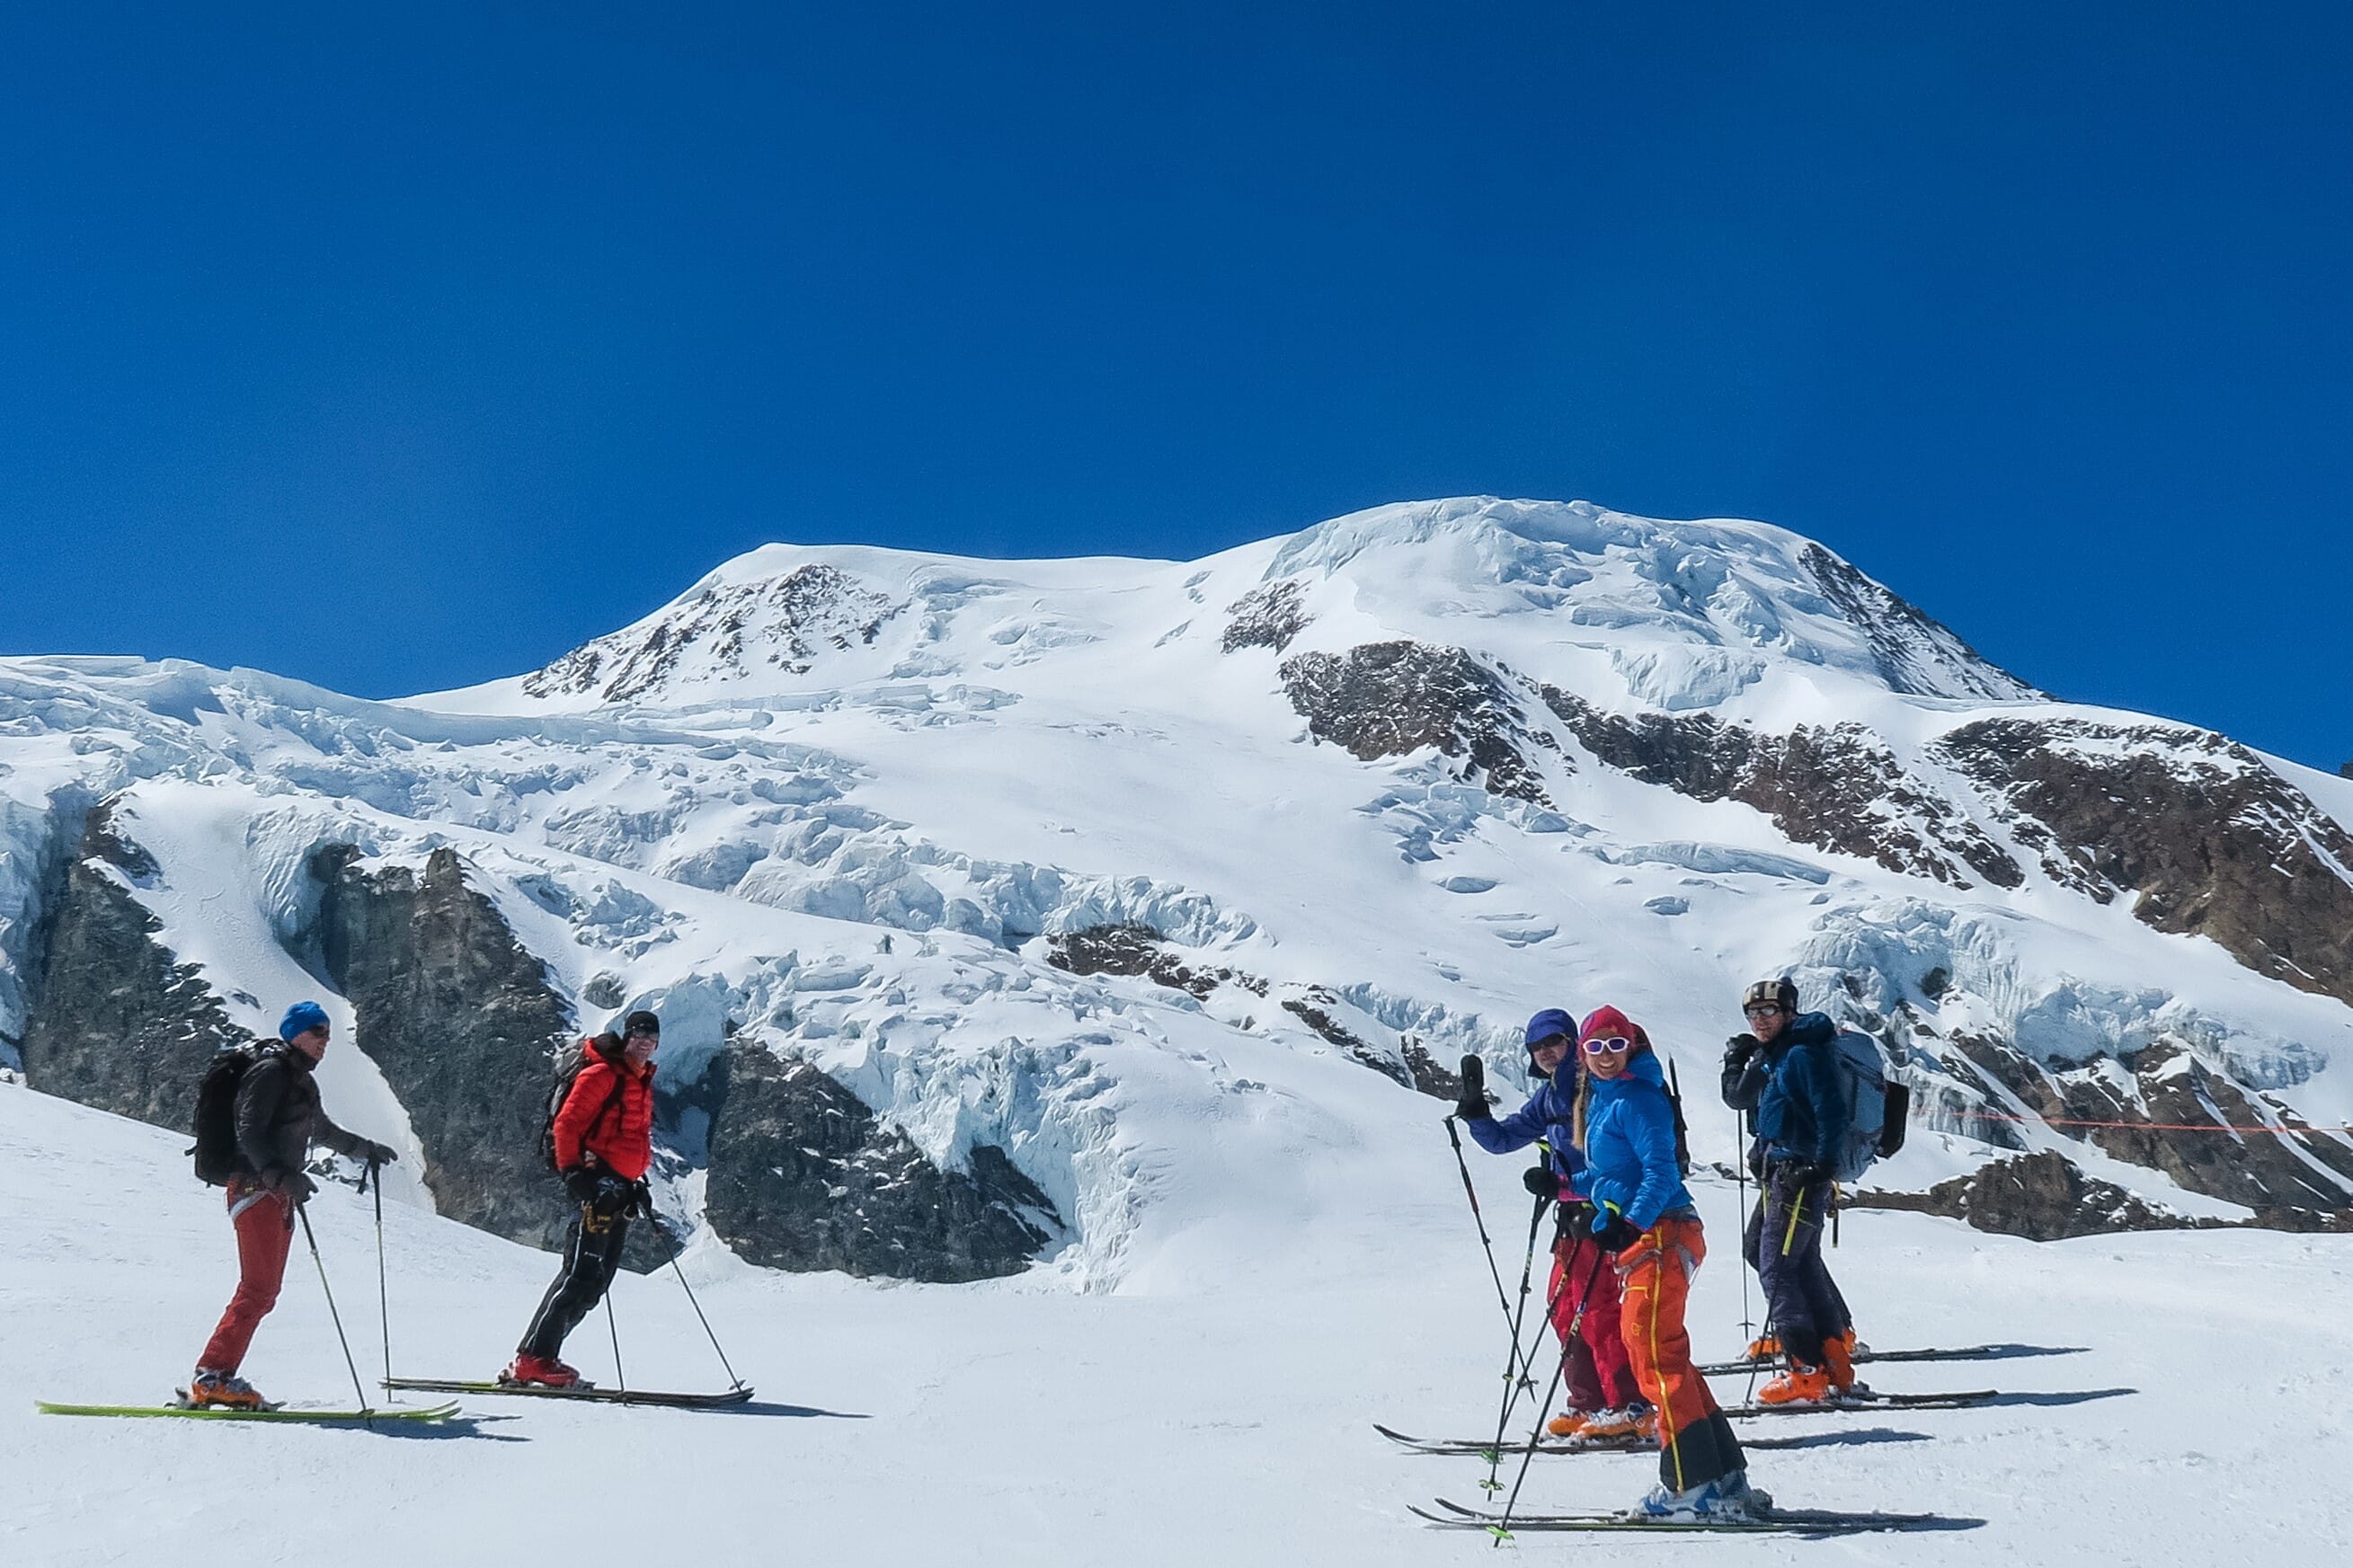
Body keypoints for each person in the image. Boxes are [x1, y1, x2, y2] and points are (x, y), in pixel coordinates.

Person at [1573, 1004, 1764, 1520]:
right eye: (1596, 1046)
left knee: (1653, 1355)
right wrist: (1571, 1186)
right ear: (1583, 1053)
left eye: (1617, 1044)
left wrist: (1630, 1222)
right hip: (1651, 1235)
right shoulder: (1607, 1100)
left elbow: (1660, 1173)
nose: (1607, 1055)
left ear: (1631, 1046)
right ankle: (1722, 1475)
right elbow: (1616, 1172)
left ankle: (1692, 1484)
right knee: (1663, 1354)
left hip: (1661, 1233)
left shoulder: (1637, 1098)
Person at [190, 1001, 397, 1409]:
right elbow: (248, 1131)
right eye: (318, 1032)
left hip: (272, 1193)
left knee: (264, 1292)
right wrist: (280, 1175)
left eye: (328, 1034)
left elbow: (321, 1129)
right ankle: (211, 1374)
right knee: (258, 1290)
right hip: (256, 1190)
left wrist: (364, 1149)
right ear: (296, 1032)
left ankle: (216, 1374)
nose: (325, 1041)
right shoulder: (271, 1073)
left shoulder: (298, 1079)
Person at [1457, 1009, 1650, 1442]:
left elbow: (1617, 1160)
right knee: (1565, 1309)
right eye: (1537, 1047)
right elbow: (1504, 1139)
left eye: (1554, 1042)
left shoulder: (1595, 1088)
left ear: (1572, 1044)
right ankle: (1590, 1402)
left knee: (1597, 1311)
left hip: (1604, 1216)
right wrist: (1477, 1115)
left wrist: (1561, 1185)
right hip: (1570, 1221)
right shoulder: (1550, 1098)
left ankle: (1629, 1405)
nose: (1545, 1052)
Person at [1721, 978, 1860, 1405]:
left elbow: (1830, 1109)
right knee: (1776, 1256)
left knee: (1778, 1268)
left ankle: (1805, 1369)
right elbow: (1738, 1098)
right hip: (1782, 1171)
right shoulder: (1778, 1053)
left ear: (1788, 1011)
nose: (1760, 1020)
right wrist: (1738, 1061)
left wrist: (1822, 1165)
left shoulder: (1801, 1053)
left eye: (1769, 1012)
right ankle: (1833, 1356)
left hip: (1798, 1173)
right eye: (1753, 1013)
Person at [505, 1009, 660, 1387]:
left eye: (651, 1038)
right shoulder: (602, 1074)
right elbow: (567, 1124)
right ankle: (533, 1359)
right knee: (580, 1275)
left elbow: (631, 1137)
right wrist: (575, 1173)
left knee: (596, 1280)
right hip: (595, 1186)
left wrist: (633, 1181)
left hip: (618, 1188)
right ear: (626, 1038)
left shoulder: (640, 1082)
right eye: (638, 1036)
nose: (644, 1043)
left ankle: (540, 1357)